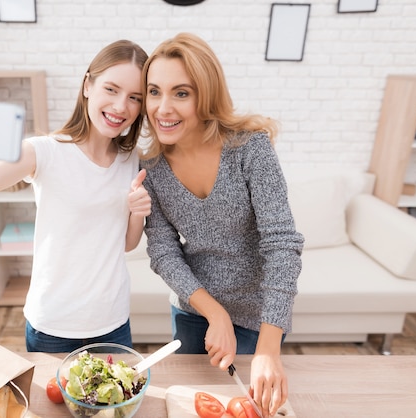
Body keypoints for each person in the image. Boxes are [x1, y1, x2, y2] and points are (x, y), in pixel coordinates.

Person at [0, 40, 151, 353]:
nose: (122, 106)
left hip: (112, 322)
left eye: (135, 97)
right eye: (111, 89)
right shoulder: (45, 151)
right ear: (87, 86)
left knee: (114, 404)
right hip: (53, 324)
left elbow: (125, 244)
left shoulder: (132, 161)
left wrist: (137, 212)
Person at [140, 33, 304, 417]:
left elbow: (282, 244)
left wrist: (268, 348)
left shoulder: (250, 149)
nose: (162, 108)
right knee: (192, 404)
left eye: (181, 93)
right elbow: (163, 251)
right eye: (153, 92)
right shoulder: (151, 169)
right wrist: (213, 313)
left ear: (206, 95)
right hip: (194, 312)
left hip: (257, 317)